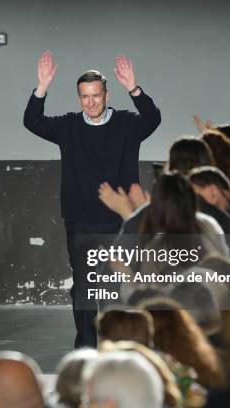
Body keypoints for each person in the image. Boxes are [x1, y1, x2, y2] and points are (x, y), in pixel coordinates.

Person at [23, 51, 161, 348]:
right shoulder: (68, 126)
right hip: (81, 222)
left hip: (121, 221)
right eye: (84, 97)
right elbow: (32, 121)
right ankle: (86, 347)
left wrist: (134, 89)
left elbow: (153, 118)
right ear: (79, 98)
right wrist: (42, 87)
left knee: (120, 285)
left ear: (106, 94)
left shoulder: (127, 124)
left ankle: (122, 345)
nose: (91, 102)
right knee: (85, 287)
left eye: (96, 95)